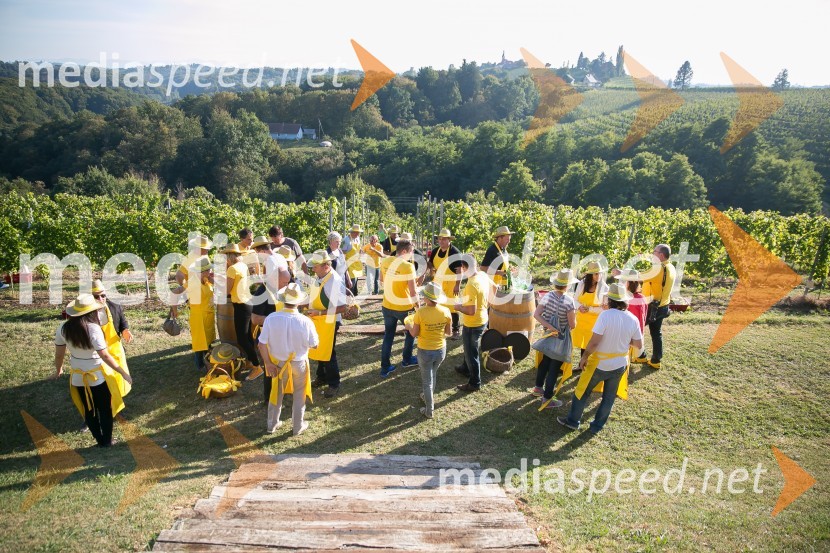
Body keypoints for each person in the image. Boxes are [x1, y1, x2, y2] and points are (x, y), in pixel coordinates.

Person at [558, 283, 643, 433]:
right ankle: (597, 426)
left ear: (610, 300)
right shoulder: (633, 319)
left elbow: (594, 342)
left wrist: (584, 357)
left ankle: (573, 421)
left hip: (600, 363)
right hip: (620, 364)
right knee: (609, 397)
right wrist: (623, 341)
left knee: (582, 391)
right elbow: (638, 344)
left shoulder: (605, 315)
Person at [53, 294, 133, 447]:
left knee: (88, 410)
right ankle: (107, 441)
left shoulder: (62, 328)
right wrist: (123, 372)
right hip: (98, 377)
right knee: (105, 409)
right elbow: (105, 355)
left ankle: (100, 440)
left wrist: (58, 370)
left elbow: (59, 355)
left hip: (78, 377)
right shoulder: (93, 329)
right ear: (91, 312)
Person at [258, 283, 319, 436]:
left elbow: (261, 344)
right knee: (299, 395)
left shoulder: (271, 318)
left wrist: (268, 363)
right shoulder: (306, 321)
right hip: (299, 363)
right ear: (299, 302)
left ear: (283, 300)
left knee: (276, 393)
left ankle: (272, 425)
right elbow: (315, 345)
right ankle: (297, 426)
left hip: (278, 363)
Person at [530, 269, 578, 408]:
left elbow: (536, 314)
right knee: (554, 367)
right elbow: (572, 325)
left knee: (545, 361)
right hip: (561, 338)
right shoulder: (569, 301)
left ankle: (538, 388)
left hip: (548, 335)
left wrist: (549, 327)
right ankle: (547, 399)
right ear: (568, 285)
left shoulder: (548, 296)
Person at [306, 250, 349, 398]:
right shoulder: (319, 276)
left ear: (325, 266)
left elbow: (343, 307)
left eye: (315, 266)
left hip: (330, 321)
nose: (313, 269)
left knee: (328, 352)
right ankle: (322, 376)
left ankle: (334, 383)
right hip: (318, 320)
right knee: (319, 347)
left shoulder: (334, 281)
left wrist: (319, 313)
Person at [406, 282, 452, 419]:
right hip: (441, 350)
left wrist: (408, 326)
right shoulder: (446, 311)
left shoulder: (420, 313)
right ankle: (427, 396)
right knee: (433, 374)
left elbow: (414, 333)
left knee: (427, 381)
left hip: (425, 351)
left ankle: (429, 411)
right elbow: (448, 332)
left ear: (427, 298)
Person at [379, 240, 419, 377]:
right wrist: (418, 306)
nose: (412, 255)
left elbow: (381, 280)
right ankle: (407, 359)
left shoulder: (385, 261)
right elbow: (413, 292)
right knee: (411, 333)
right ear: (404, 251)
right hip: (404, 307)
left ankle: (385, 367)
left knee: (388, 336)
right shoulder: (408, 267)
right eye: (411, 252)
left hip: (387, 305)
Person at [223, 243, 262, 380]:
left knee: (242, 338)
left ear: (229, 256)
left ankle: (257, 366)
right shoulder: (243, 265)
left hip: (241, 305)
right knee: (247, 337)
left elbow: (227, 290)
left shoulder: (232, 269)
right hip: (247, 303)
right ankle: (251, 361)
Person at [454, 254, 492, 392]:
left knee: (471, 353)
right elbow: (494, 287)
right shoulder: (482, 275)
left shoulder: (471, 285)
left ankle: (475, 382)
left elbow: (471, 311)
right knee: (468, 347)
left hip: (473, 323)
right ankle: (465, 368)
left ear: (464, 267)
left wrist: (458, 307)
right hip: (483, 318)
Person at [639, 244, 676, 369]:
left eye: (654, 251)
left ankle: (640, 356)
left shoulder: (658, 268)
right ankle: (656, 360)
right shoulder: (670, 267)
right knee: (656, 333)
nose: (652, 253)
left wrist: (621, 273)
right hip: (663, 305)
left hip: (652, 307)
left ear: (661, 255)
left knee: (636, 329)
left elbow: (639, 277)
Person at [427, 228, 462, 339]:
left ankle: (455, 329)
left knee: (453, 307)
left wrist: (457, 285)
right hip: (438, 283)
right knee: (438, 305)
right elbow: (430, 263)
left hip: (451, 283)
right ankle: (441, 327)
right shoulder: (435, 251)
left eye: (444, 239)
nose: (441, 241)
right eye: (440, 239)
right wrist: (430, 268)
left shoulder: (454, 252)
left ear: (449, 240)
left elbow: (459, 270)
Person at [572, 261, 609, 361]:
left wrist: (590, 309)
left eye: (600, 273)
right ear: (590, 274)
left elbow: (605, 308)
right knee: (583, 344)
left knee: (592, 344)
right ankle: (582, 364)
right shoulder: (582, 283)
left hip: (596, 321)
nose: (598, 276)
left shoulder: (604, 288)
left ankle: (589, 366)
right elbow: (575, 300)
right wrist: (579, 306)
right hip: (581, 319)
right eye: (596, 274)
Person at [184, 257, 216, 371]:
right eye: (208, 270)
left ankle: (209, 361)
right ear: (202, 271)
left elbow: (218, 287)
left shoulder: (206, 280)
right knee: (199, 342)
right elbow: (181, 293)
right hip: (199, 316)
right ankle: (200, 365)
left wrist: (212, 279)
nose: (210, 271)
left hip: (208, 315)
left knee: (208, 341)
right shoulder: (193, 282)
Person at [173, 234, 212, 318]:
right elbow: (179, 275)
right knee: (197, 317)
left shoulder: (204, 254)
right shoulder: (191, 258)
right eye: (205, 248)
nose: (208, 249)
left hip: (205, 292)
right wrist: (185, 290)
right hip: (195, 293)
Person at [615, 269, 647, 361]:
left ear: (631, 283)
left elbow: (636, 320)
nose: (622, 283)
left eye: (624, 281)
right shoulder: (640, 297)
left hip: (629, 336)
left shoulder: (633, 300)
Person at [342, 224, 363, 296]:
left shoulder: (357, 238)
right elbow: (342, 253)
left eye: (359, 232)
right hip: (349, 265)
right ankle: (349, 298)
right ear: (352, 232)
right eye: (357, 232)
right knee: (351, 282)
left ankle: (355, 296)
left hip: (356, 264)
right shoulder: (345, 240)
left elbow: (358, 248)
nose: (358, 234)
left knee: (356, 281)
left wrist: (360, 251)